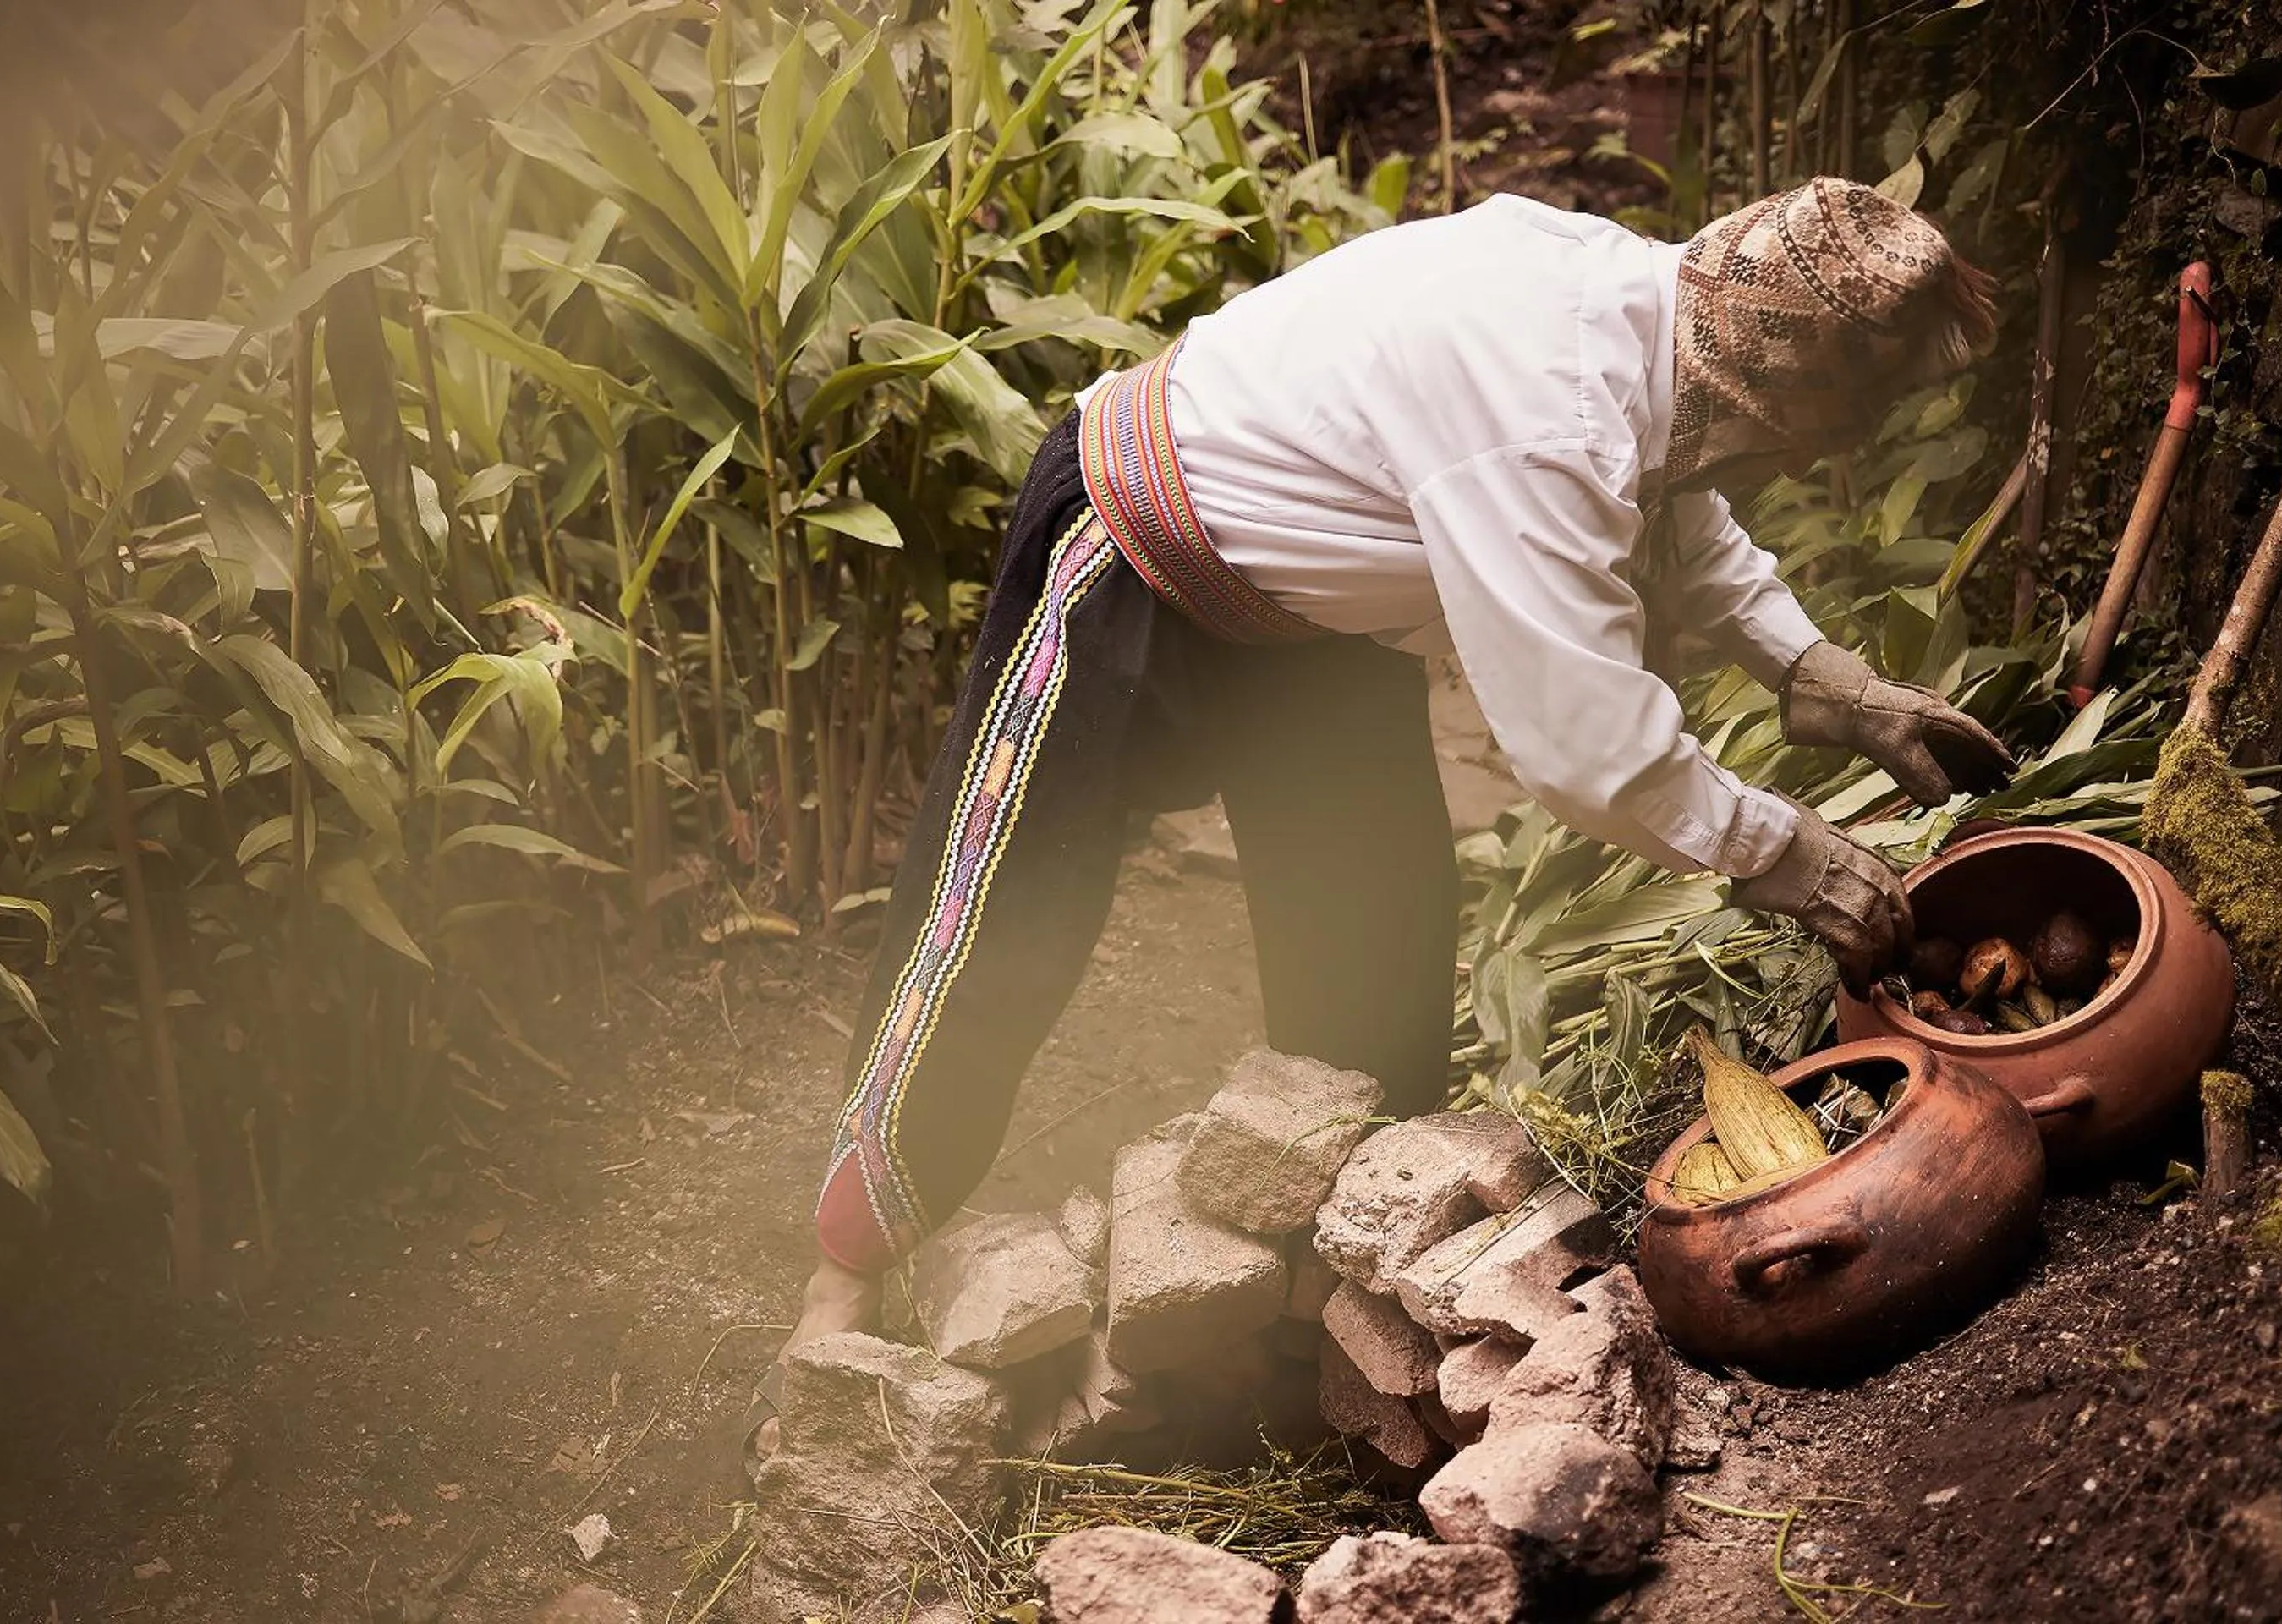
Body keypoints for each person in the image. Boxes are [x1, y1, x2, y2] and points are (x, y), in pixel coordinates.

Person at [745, 177, 2013, 1462]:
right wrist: (1790, 858)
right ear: (1759, 392)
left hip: (1303, 618)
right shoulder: (1540, 407)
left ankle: (1310, 1323)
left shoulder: (1658, 319)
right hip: (1134, 535)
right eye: (1799, 444)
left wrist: (1822, 679)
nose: (1795, 467)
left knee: (1377, 956)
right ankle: (846, 1273)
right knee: (1004, 920)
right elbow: (1586, 751)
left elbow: (1674, 492)